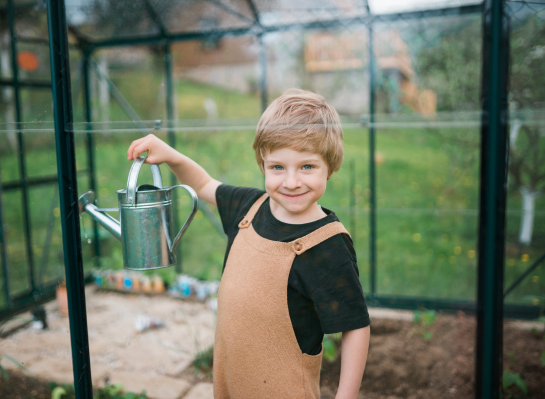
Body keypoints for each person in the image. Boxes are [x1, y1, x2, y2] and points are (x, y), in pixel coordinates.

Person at [127, 89, 370, 399]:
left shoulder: (328, 247)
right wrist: (171, 155)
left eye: (307, 167)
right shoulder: (249, 208)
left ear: (330, 166)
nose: (291, 181)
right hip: (232, 386)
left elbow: (355, 327)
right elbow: (202, 184)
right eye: (278, 167)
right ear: (263, 164)